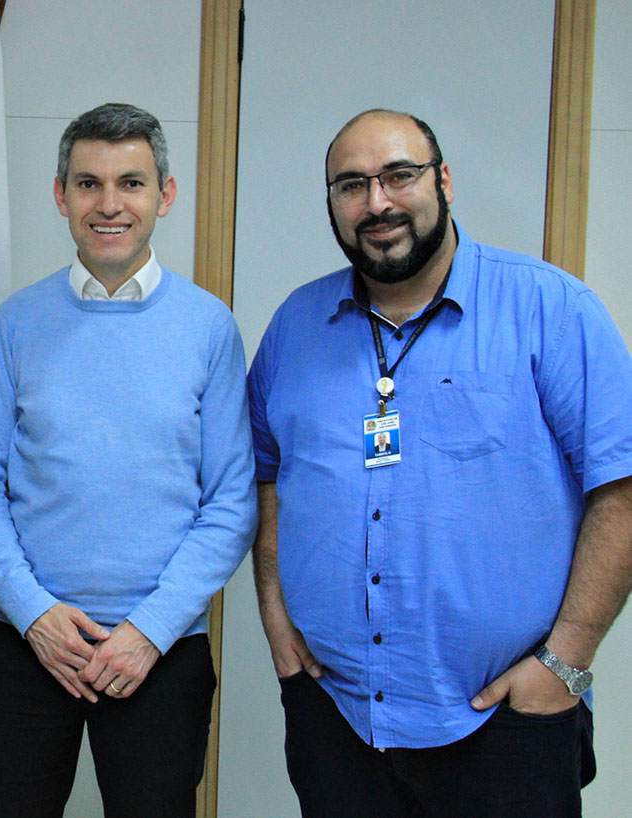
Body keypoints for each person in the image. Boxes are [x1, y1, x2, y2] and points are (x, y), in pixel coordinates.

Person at [249, 108, 632, 817]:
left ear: (444, 181)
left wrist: (566, 662)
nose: (377, 203)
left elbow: (622, 488)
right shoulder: (295, 327)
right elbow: (268, 476)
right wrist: (276, 618)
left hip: (506, 722)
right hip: (336, 716)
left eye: (399, 175)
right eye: (351, 185)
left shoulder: (550, 308)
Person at [0, 102, 257, 818]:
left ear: (165, 194)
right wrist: (33, 613)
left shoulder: (209, 327)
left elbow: (231, 501)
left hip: (158, 648)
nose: (109, 204)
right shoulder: (17, 321)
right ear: (61, 195)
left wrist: (150, 629)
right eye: (88, 183)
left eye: (131, 183)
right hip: (24, 641)